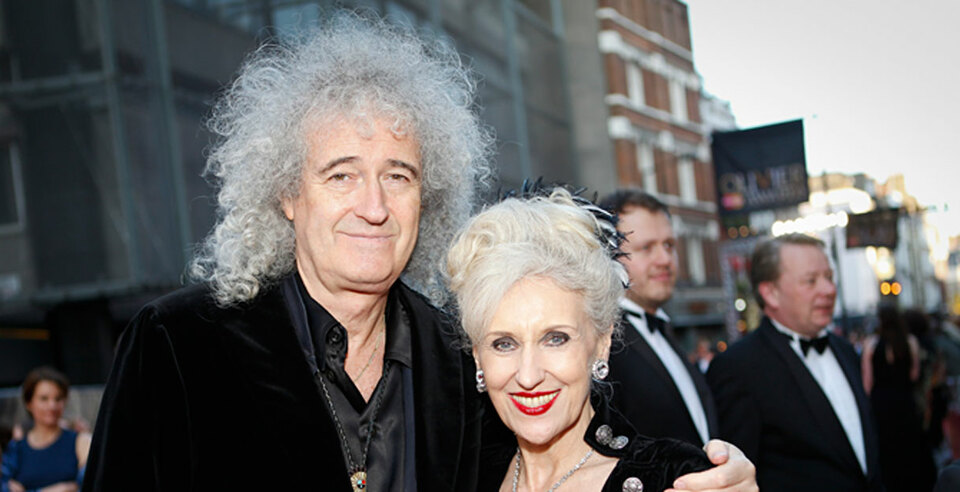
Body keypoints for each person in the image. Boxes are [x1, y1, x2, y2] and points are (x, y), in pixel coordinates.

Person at [83, 12, 755, 492]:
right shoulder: (178, 344)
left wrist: (698, 472)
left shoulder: (462, 357)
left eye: (398, 176)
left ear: (425, 195)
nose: (373, 206)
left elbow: (582, 431)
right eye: (341, 174)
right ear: (287, 193)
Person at [445, 187, 720, 491]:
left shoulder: (674, 477)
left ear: (601, 344)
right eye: (504, 344)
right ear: (476, 356)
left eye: (555, 338)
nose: (528, 375)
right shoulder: (460, 477)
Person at [707, 233, 881, 491]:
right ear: (771, 293)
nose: (829, 290)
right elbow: (738, 472)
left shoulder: (845, 351)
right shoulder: (738, 367)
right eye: (811, 281)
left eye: (829, 278)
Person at [597, 189, 717, 447]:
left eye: (669, 245)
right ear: (609, 257)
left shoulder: (664, 332)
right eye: (646, 248)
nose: (664, 259)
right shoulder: (603, 346)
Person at [862, 304, 936, 491]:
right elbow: (914, 375)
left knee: (887, 451)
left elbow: (867, 384)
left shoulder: (871, 344)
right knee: (910, 450)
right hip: (905, 402)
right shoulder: (910, 342)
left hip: (881, 405)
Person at [1, 367, 90, 492]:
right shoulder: (16, 449)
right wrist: (63, 488)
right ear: (29, 403)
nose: (52, 406)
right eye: (44, 399)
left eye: (58, 399)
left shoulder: (81, 442)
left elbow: (90, 484)